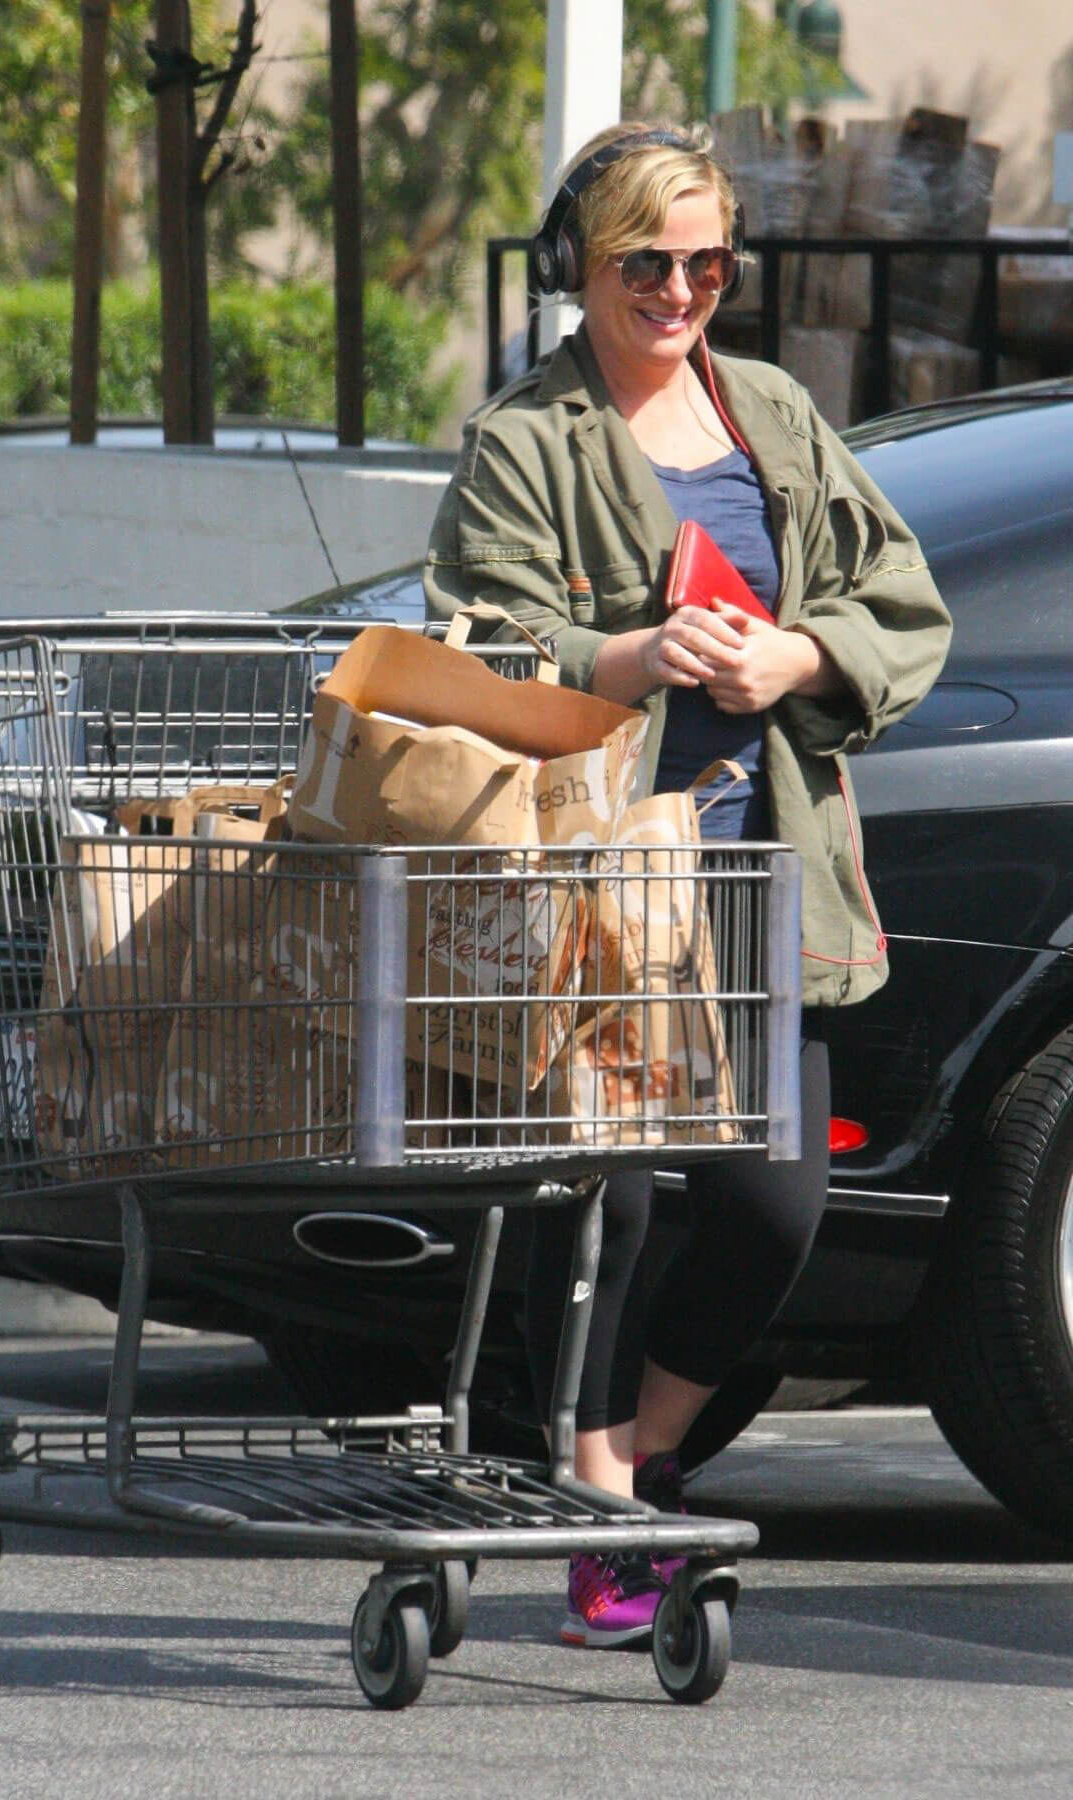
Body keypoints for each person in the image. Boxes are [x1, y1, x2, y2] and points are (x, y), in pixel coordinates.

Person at [424, 122, 952, 1649]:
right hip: (594, 885)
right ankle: (596, 1499)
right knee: (613, 1192)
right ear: (578, 270)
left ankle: (635, 1453)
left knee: (774, 1209)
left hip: (756, 875)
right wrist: (628, 658)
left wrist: (802, 651)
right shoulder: (527, 442)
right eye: (644, 260)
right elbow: (472, 643)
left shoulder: (773, 413)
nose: (678, 289)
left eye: (706, 260)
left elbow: (895, 604)